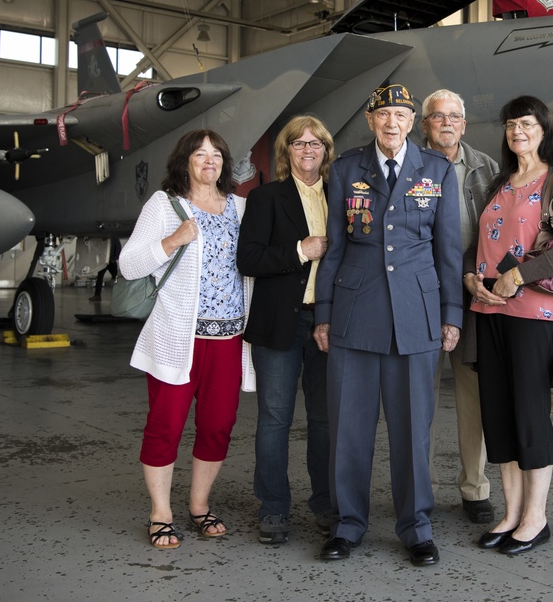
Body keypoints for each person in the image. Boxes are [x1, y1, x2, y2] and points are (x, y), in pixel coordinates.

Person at [313, 82, 462, 567]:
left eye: (401, 114)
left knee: (413, 429)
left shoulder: (436, 170)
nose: (392, 123)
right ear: (371, 121)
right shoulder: (345, 171)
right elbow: (333, 249)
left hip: (416, 316)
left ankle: (416, 527)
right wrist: (324, 314)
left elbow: (448, 252)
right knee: (349, 429)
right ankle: (347, 525)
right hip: (355, 315)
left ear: (411, 120)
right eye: (384, 115)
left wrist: (451, 315)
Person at [463, 95, 553, 556]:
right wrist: (471, 278)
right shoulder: (501, 181)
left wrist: (519, 275)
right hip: (488, 312)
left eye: (526, 122)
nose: (517, 130)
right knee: (498, 415)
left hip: (530, 315)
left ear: (544, 128)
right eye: (511, 123)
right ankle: (512, 512)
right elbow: (482, 244)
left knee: (529, 414)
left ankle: (536, 518)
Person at [119, 128, 255, 550]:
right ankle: (161, 512)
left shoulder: (242, 208)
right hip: (179, 336)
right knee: (166, 425)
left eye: (216, 153)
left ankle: (199, 505)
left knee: (218, 426)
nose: (209, 160)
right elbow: (128, 265)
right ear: (185, 161)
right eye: (200, 153)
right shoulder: (165, 205)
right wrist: (174, 239)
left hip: (230, 337)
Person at [237, 115, 334, 545]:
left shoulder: (342, 197)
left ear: (325, 151)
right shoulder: (266, 198)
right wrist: (301, 250)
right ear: (286, 152)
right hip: (280, 322)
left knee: (325, 420)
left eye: (316, 144)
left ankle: (327, 504)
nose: (308, 150)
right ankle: (273, 507)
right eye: (299, 144)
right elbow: (249, 259)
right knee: (275, 419)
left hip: (328, 323)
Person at [419, 89, 499, 525]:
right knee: (419, 397)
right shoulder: (410, 167)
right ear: (425, 125)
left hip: (472, 297)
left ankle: (474, 487)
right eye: (437, 116)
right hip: (420, 296)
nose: (446, 123)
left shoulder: (487, 169)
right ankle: (420, 488)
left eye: (454, 116)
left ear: (464, 125)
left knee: (473, 395)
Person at [89, 236, 120, 301]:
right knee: (99, 278)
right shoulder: (101, 238)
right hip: (103, 261)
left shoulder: (114, 238)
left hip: (111, 261)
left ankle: (121, 292)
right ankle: (97, 295)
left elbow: (118, 248)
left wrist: (114, 259)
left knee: (116, 277)